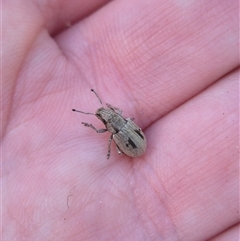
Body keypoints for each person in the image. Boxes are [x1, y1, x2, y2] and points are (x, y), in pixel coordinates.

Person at [2, 0, 239, 240]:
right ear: (110, 122)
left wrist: (109, 139)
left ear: (114, 118)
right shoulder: (119, 129)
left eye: (107, 115)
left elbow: (105, 135)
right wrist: (92, 124)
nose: (105, 116)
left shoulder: (117, 129)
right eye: (104, 118)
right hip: (133, 143)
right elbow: (104, 134)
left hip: (134, 141)